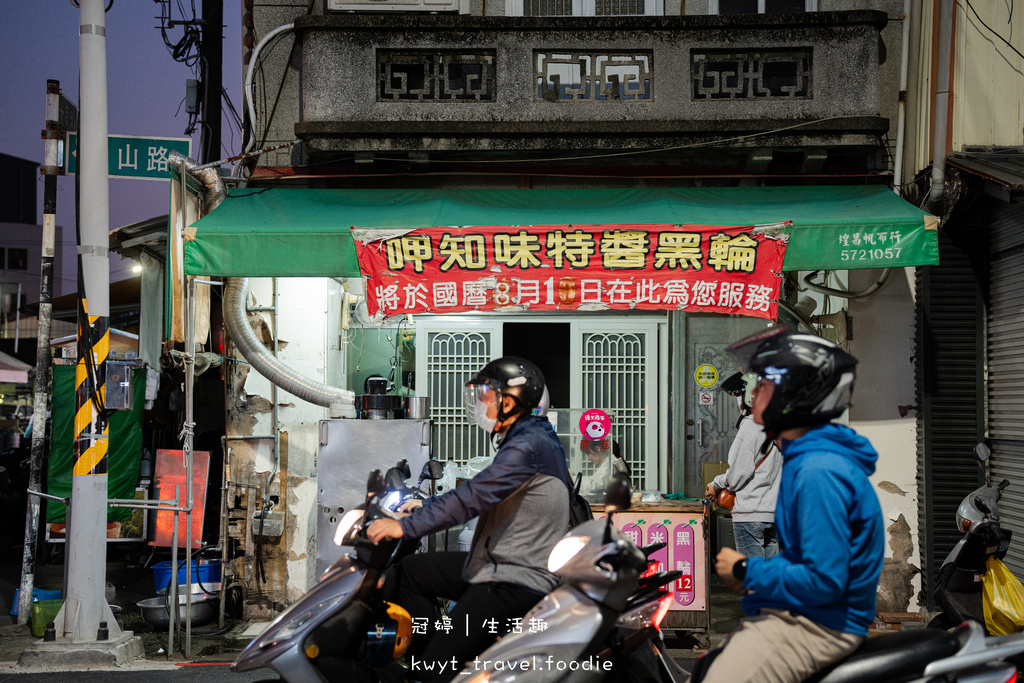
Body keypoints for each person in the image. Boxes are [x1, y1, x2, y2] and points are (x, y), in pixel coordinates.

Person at [692, 326, 884, 683]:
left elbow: (825, 578)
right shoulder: (805, 458)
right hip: (807, 613)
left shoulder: (818, 470)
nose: (753, 393)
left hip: (822, 624)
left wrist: (747, 571)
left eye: (764, 384)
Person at [367, 356, 572, 681]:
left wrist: (403, 525)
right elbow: (483, 490)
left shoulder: (529, 446)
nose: (480, 405)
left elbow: (474, 496)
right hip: (497, 563)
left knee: (434, 669)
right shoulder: (530, 439)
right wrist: (426, 506)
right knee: (412, 572)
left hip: (513, 578)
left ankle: (433, 668)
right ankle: (431, 652)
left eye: (488, 398)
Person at [705, 372, 781, 559]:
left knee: (753, 579)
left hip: (750, 515)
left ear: (750, 396)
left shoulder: (751, 426)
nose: (738, 401)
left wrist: (716, 484)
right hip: (773, 515)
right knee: (769, 579)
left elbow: (738, 475)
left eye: (739, 395)